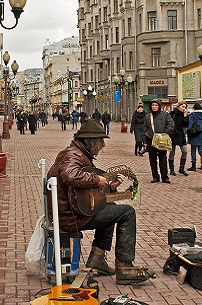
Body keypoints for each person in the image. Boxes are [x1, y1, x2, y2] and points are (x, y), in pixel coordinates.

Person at [47, 119, 155, 285]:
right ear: (91, 141)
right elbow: (69, 175)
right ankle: (124, 267)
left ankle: (97, 259)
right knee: (127, 212)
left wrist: (111, 186)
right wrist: (97, 180)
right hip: (72, 218)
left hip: (72, 211)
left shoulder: (77, 153)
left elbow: (82, 192)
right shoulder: (73, 155)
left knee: (110, 207)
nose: (103, 145)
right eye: (101, 141)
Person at [143, 99, 174, 183]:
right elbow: (144, 128)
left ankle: (165, 177)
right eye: (153, 105)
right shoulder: (148, 117)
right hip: (151, 140)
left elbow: (171, 125)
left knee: (163, 158)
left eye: (156, 105)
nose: (154, 107)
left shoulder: (165, 115)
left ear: (159, 106)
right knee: (152, 159)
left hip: (162, 140)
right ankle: (155, 177)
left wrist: (165, 134)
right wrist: (145, 141)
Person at [169, 102, 189, 176]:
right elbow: (169, 123)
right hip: (173, 134)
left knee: (185, 151)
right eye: (182, 106)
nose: (183, 108)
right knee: (172, 152)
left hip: (181, 134)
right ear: (178, 106)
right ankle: (171, 169)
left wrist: (185, 116)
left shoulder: (184, 114)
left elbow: (186, 124)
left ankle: (181, 168)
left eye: (185, 107)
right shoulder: (173, 113)